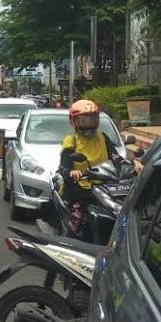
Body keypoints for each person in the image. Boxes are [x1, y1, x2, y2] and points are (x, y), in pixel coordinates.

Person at [59, 99, 129, 238]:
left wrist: (128, 165)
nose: (89, 124)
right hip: (79, 188)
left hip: (105, 187)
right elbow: (63, 166)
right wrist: (72, 172)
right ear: (74, 121)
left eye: (92, 120)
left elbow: (115, 157)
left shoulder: (103, 137)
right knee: (78, 218)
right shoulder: (71, 141)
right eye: (84, 120)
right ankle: (69, 246)